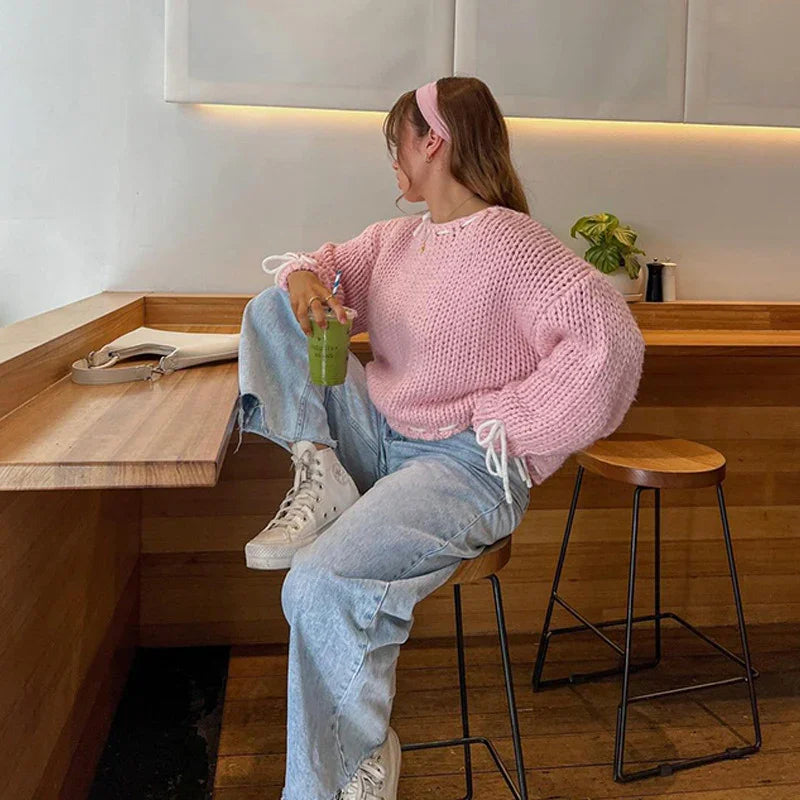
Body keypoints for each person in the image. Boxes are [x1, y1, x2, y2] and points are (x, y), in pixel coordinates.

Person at [234, 76, 646, 800]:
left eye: (397, 140)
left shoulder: (516, 245)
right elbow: (316, 267)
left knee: (320, 583)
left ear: (435, 140)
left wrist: (506, 421)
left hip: (461, 468)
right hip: (381, 438)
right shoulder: (394, 240)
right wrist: (305, 284)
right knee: (270, 307)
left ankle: (347, 772)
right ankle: (319, 466)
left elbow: (609, 344)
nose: (391, 157)